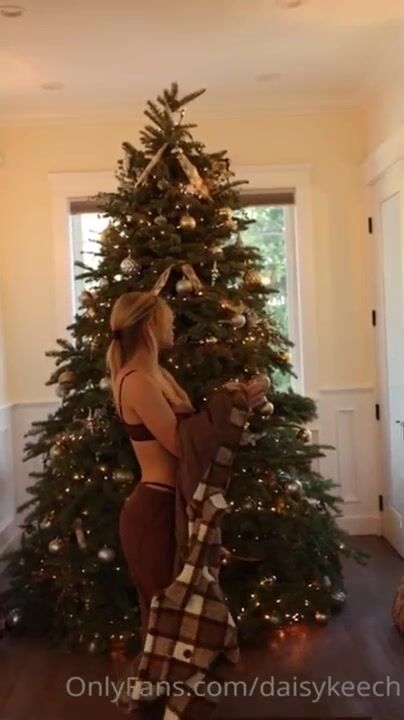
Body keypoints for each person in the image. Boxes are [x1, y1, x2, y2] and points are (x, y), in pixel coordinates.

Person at [106, 290, 266, 652]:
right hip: (153, 514)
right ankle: (162, 686)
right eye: (167, 319)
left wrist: (238, 401)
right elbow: (182, 443)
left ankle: (174, 685)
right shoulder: (136, 380)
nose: (173, 325)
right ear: (150, 325)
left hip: (169, 507)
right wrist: (227, 405)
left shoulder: (157, 375)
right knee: (165, 619)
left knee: (178, 622)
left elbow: (192, 430)